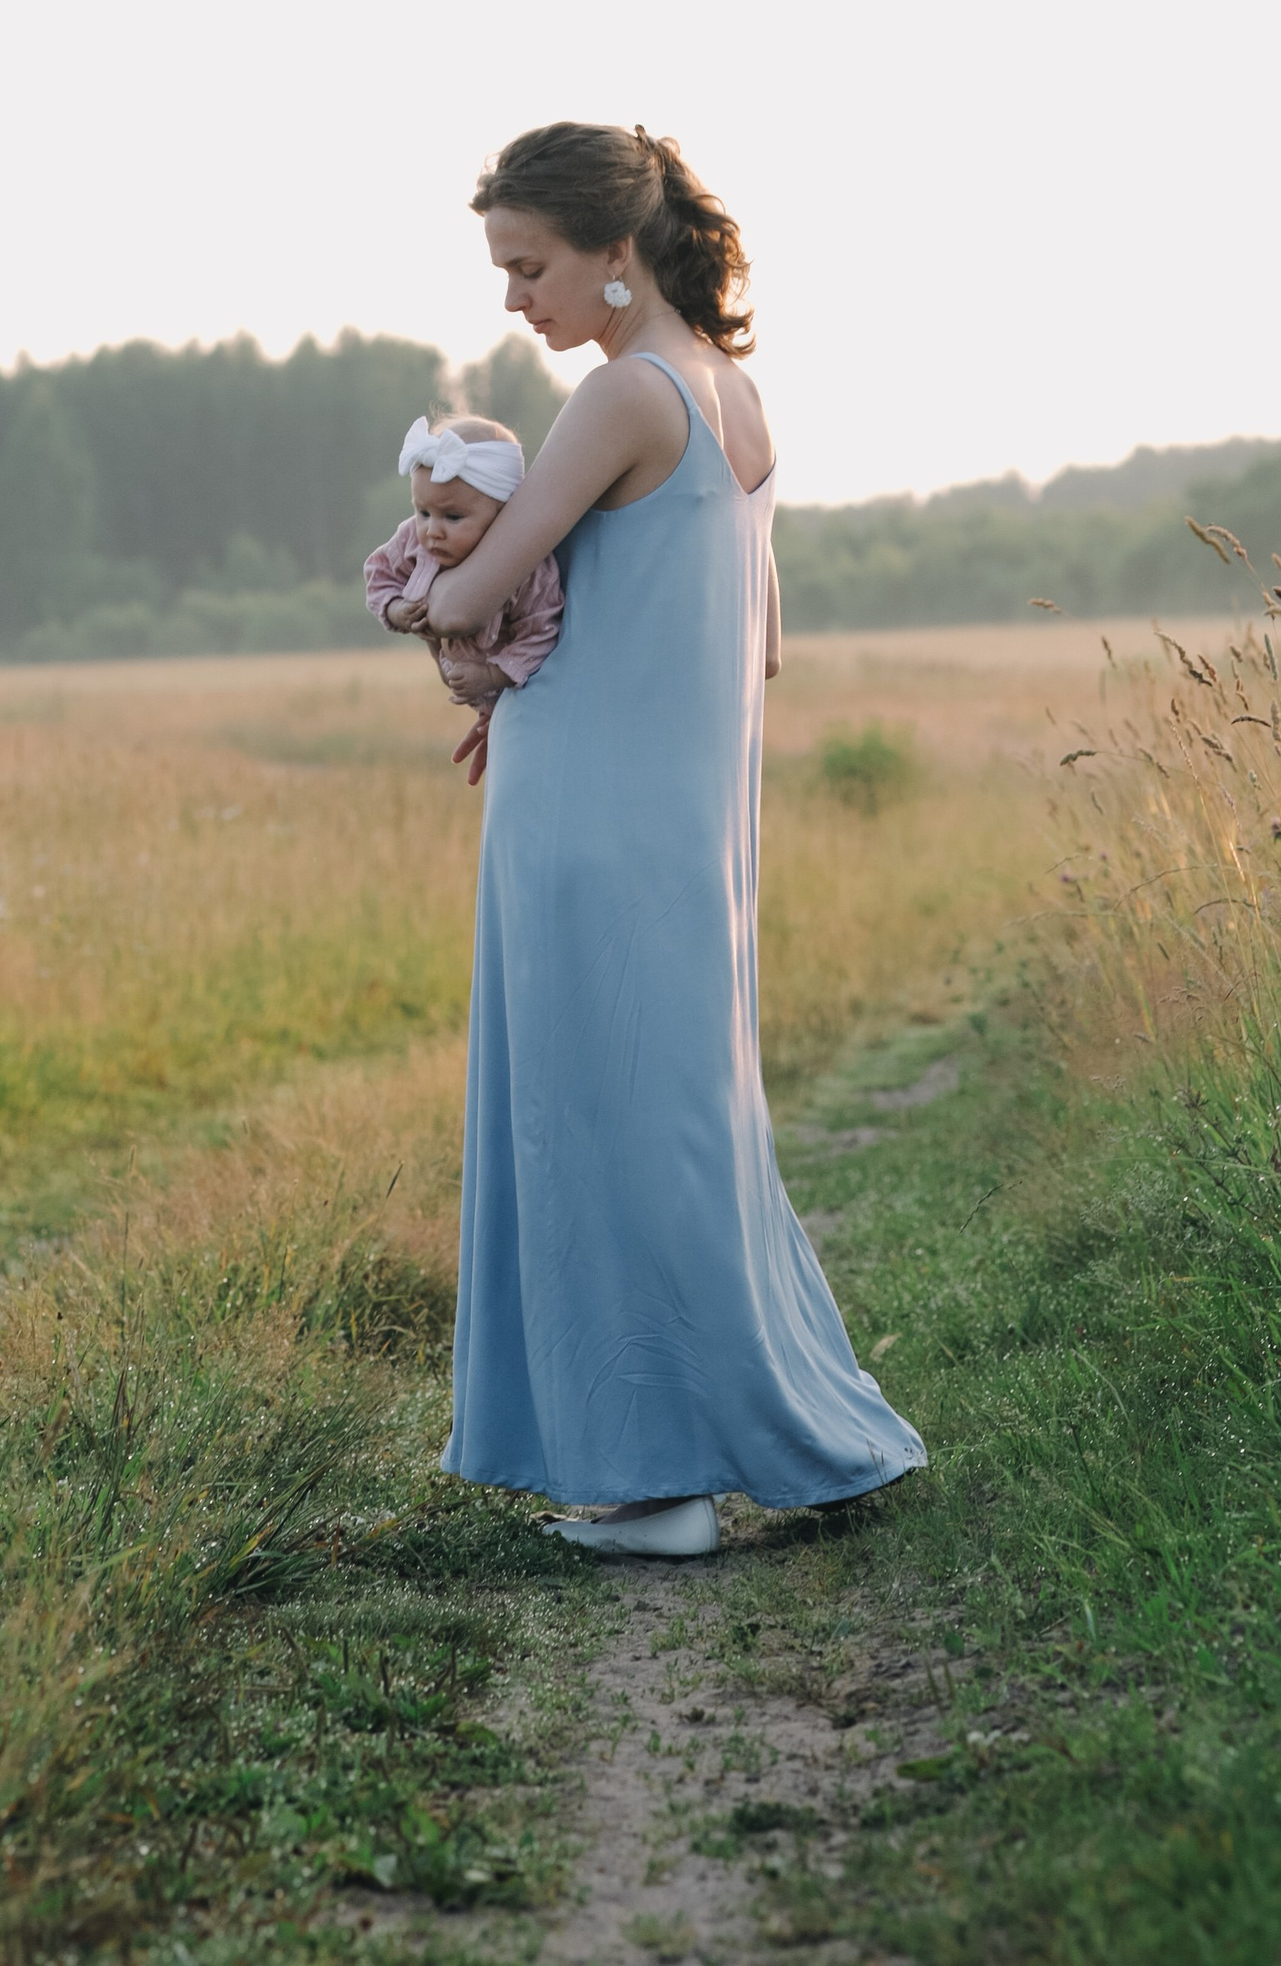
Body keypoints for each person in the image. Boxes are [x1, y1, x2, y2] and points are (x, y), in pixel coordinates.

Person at [419, 121, 926, 1557]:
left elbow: (467, 607)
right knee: (680, 1126)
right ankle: (740, 1443)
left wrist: (434, 568)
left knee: (589, 1124)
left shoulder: (619, 395)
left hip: (581, 812)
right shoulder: (735, 397)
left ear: (614, 254)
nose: (517, 300)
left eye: (530, 266)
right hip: (690, 822)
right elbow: (762, 643)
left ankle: (655, 1483)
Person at [364, 414, 566, 725]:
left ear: (503, 511)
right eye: (423, 512)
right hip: (476, 697)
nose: (433, 530)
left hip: (527, 698)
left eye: (453, 517)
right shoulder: (412, 539)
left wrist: (492, 675)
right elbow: (380, 573)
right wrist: (395, 608)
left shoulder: (529, 568)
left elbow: (542, 631)